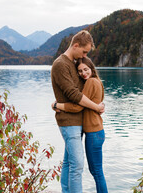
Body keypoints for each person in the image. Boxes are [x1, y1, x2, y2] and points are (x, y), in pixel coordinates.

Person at [51, 30, 104, 193]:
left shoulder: (73, 64)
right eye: (84, 51)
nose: (85, 55)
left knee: (68, 162)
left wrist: (99, 102)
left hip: (77, 122)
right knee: (78, 164)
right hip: (68, 122)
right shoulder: (61, 64)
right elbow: (74, 95)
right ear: (75, 45)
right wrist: (96, 107)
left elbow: (84, 91)